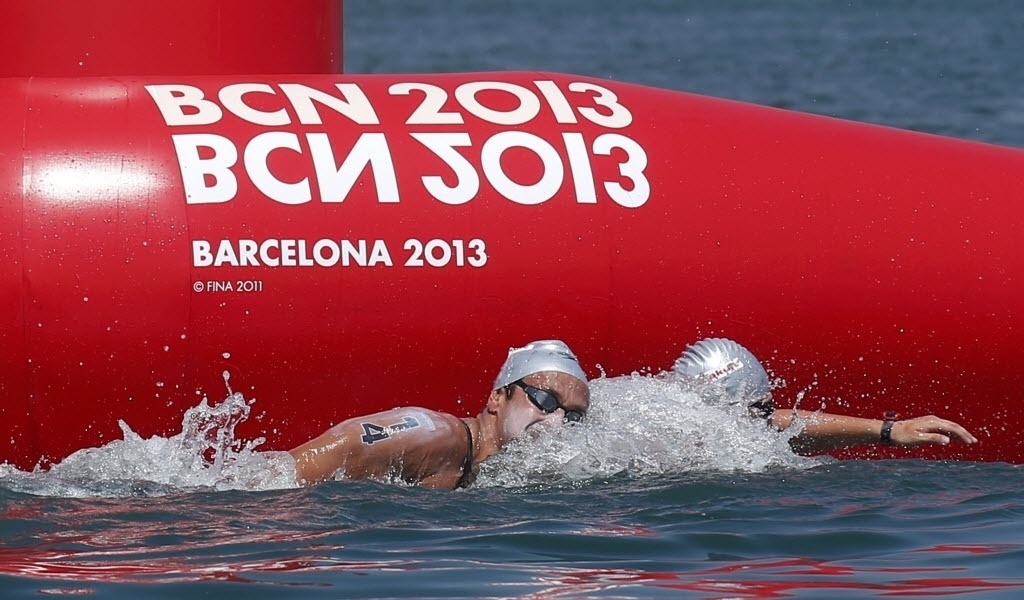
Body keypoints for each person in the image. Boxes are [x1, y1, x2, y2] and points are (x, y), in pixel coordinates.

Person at [288, 339, 590, 489]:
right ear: (498, 398)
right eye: (545, 400)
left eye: (573, 416)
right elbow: (287, 475)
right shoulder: (440, 437)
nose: (556, 421)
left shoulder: (488, 468)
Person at [673, 337, 977, 454]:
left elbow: (779, 424)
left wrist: (888, 430)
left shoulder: (707, 428)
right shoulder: (660, 450)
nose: (771, 417)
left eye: (770, 407)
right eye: (760, 410)